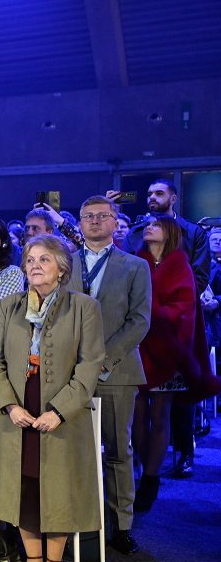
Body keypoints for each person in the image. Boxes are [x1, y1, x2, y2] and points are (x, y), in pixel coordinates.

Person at [0, 234, 105, 562]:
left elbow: (90, 366)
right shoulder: (8, 306)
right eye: (30, 259)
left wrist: (59, 411)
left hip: (62, 414)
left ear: (61, 268)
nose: (35, 265)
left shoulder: (84, 307)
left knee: (58, 489)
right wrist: (9, 404)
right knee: (24, 489)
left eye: (44, 260)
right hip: (17, 412)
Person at [66, 196, 150, 556]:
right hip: (69, 373)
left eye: (103, 216)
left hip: (116, 371)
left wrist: (102, 360)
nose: (95, 222)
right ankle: (77, 520)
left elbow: (139, 321)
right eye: (88, 217)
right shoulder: (63, 263)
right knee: (71, 450)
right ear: (80, 223)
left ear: (116, 223)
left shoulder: (135, 266)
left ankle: (123, 524)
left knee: (118, 450)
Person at [123, 180, 211, 479]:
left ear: (173, 197)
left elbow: (199, 279)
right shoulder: (137, 234)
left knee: (174, 408)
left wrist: (162, 306)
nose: (151, 197)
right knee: (139, 409)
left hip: (175, 334)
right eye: (147, 193)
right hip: (140, 340)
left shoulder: (192, 233)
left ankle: (183, 455)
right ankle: (143, 467)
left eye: (158, 193)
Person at [132, 216, 220, 511]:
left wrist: (147, 309)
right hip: (137, 350)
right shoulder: (137, 259)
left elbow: (183, 308)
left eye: (155, 225)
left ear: (169, 233)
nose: (148, 227)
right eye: (147, 226)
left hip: (169, 352)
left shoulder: (180, 263)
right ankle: (144, 471)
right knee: (136, 418)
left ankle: (151, 478)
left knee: (160, 417)